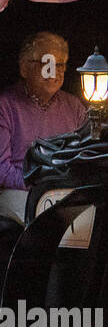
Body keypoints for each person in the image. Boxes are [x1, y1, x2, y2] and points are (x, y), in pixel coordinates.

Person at [0, 32, 86, 224]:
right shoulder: (5, 106)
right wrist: (40, 185)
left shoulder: (75, 107)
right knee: (48, 221)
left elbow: (86, 158)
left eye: (59, 64)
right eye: (45, 63)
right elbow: (1, 169)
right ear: (24, 68)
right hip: (18, 191)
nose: (53, 71)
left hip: (65, 191)